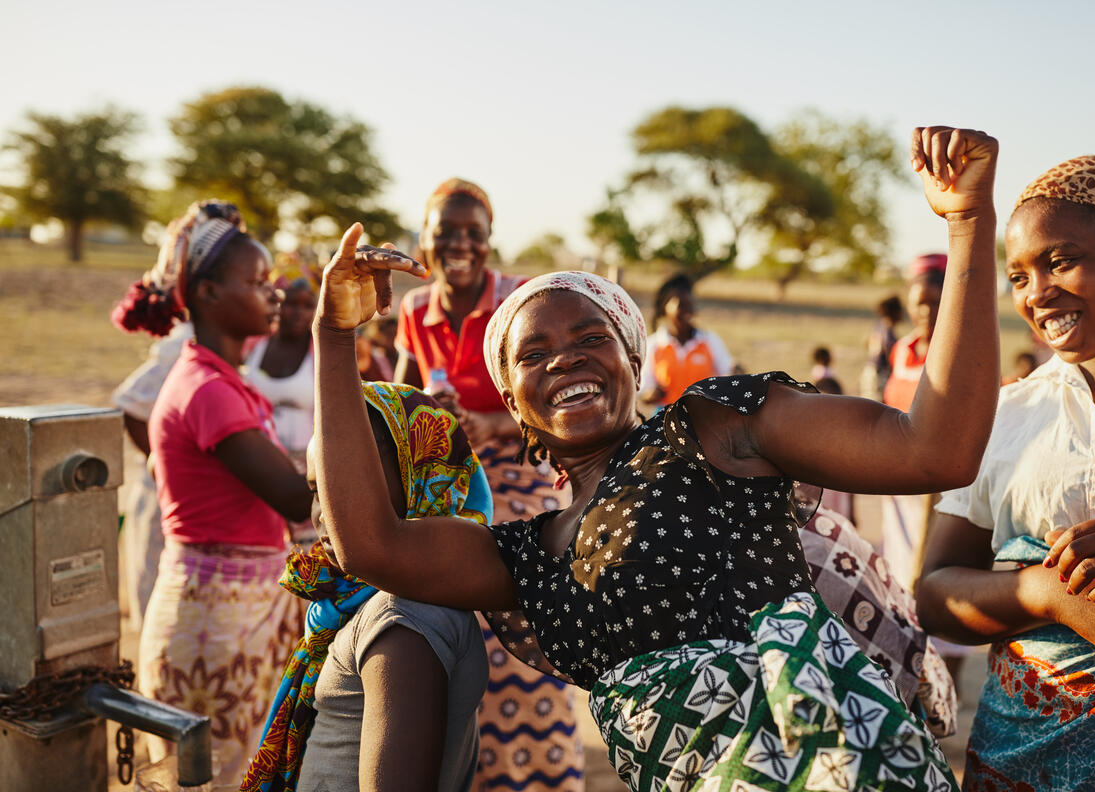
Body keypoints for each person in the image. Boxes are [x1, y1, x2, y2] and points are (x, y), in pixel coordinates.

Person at [312, 125, 1001, 791]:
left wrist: (968, 222)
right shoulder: (527, 559)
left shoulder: (710, 429)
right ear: (515, 408)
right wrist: (333, 336)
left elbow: (933, 451)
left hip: (829, 761)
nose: (565, 356)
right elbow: (371, 547)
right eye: (532, 353)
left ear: (632, 362)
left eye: (591, 335)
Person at [916, 136, 1095, 791]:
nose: (1037, 293)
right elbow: (933, 593)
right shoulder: (1004, 413)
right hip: (1013, 764)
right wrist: (1051, 594)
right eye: (1018, 275)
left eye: (1061, 261)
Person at [392, 178, 584, 792]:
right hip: (447, 483)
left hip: (520, 471)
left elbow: (555, 400)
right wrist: (426, 407)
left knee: (519, 623)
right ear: (423, 240)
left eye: (473, 233)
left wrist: (488, 422)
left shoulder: (517, 304)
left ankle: (533, 774)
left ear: (489, 239)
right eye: (445, 232)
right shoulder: (414, 310)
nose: (459, 245)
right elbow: (396, 403)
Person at [113, 200, 313, 785]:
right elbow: (298, 499)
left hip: (231, 618)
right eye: (257, 283)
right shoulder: (207, 390)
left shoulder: (225, 381)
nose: (273, 294)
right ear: (207, 294)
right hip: (215, 629)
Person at [242, 381, 492, 792]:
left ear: (421, 479)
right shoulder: (359, 598)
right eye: (316, 490)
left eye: (347, 485)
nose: (325, 513)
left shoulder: (403, 619)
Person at [108, 319, 193, 632]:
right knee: (159, 602)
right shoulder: (189, 341)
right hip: (164, 496)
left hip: (196, 503)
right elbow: (130, 404)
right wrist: (165, 463)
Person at [244, 254, 320, 469]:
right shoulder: (252, 347)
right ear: (275, 302)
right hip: (255, 465)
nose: (298, 313)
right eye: (290, 303)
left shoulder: (321, 354)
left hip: (307, 469)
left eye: (307, 305)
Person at [640, 272, 735, 406]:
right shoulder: (653, 345)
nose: (687, 310)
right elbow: (645, 392)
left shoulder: (709, 341)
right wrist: (653, 393)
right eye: (680, 305)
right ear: (664, 308)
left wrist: (736, 372)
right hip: (666, 418)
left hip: (703, 416)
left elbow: (728, 372)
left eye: (690, 304)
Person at [860, 295, 904, 400]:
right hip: (879, 376)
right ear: (895, 312)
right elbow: (890, 354)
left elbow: (867, 342)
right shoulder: (888, 332)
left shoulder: (878, 326)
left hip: (869, 371)